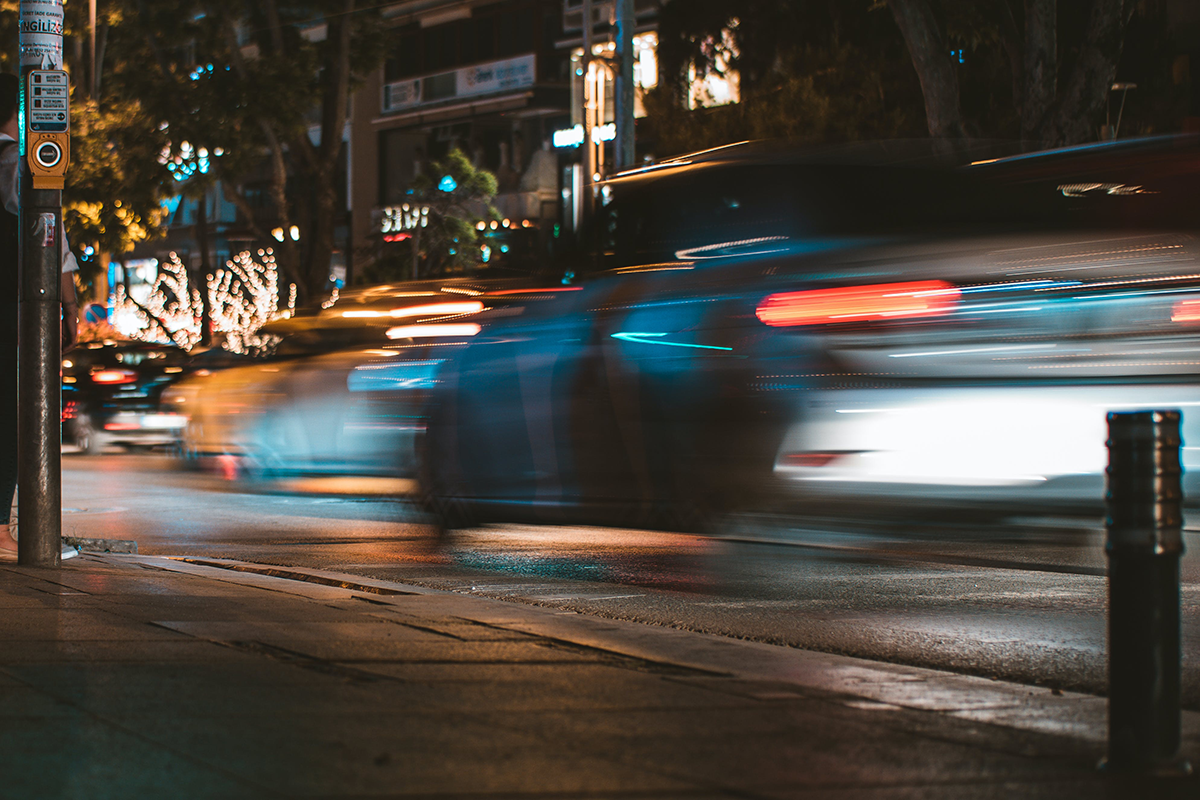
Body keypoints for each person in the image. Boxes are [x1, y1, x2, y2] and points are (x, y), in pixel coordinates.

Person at [0, 72, 79, 560]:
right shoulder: (15, 165)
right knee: (11, 415)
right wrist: (69, 307)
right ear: (20, 110)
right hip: (10, 309)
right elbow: (52, 235)